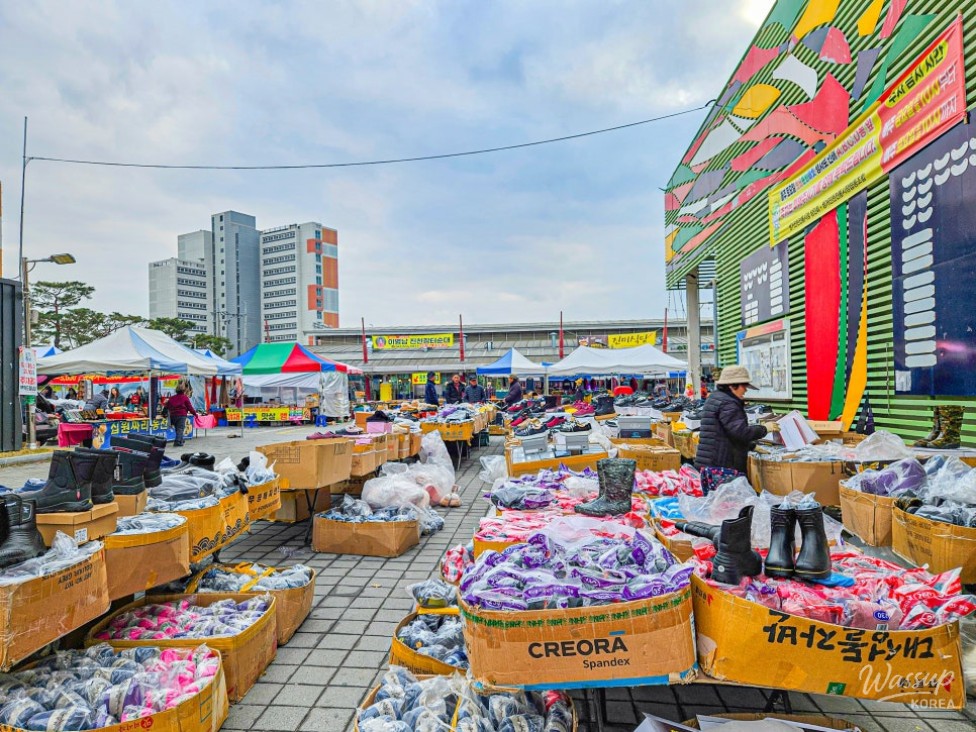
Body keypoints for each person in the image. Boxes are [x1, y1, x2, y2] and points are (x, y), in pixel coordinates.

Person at [695, 365, 774, 491]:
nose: (745, 390)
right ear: (732, 386)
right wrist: (764, 428)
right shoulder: (728, 403)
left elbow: (724, 433)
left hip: (710, 464)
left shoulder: (715, 398)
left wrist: (751, 446)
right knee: (730, 506)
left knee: (718, 505)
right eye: (744, 386)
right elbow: (740, 432)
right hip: (722, 467)